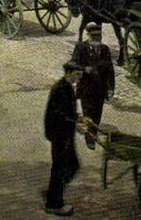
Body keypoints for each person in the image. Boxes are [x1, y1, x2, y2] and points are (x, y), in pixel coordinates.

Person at [43, 61, 84, 216]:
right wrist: (76, 124)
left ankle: (55, 191)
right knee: (61, 168)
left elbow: (67, 111)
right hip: (60, 134)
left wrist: (78, 117)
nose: (79, 78)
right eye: (77, 75)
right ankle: (54, 203)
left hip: (65, 134)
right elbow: (60, 114)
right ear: (68, 73)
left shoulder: (66, 87)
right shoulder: (60, 89)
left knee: (72, 165)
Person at [70, 22, 115, 149]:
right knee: (88, 113)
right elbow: (73, 64)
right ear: (88, 35)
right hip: (86, 88)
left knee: (97, 114)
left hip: (100, 89)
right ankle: (90, 138)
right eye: (94, 36)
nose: (97, 39)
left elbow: (110, 69)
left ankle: (92, 133)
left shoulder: (105, 49)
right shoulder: (81, 48)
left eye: (99, 36)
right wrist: (84, 69)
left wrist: (111, 88)